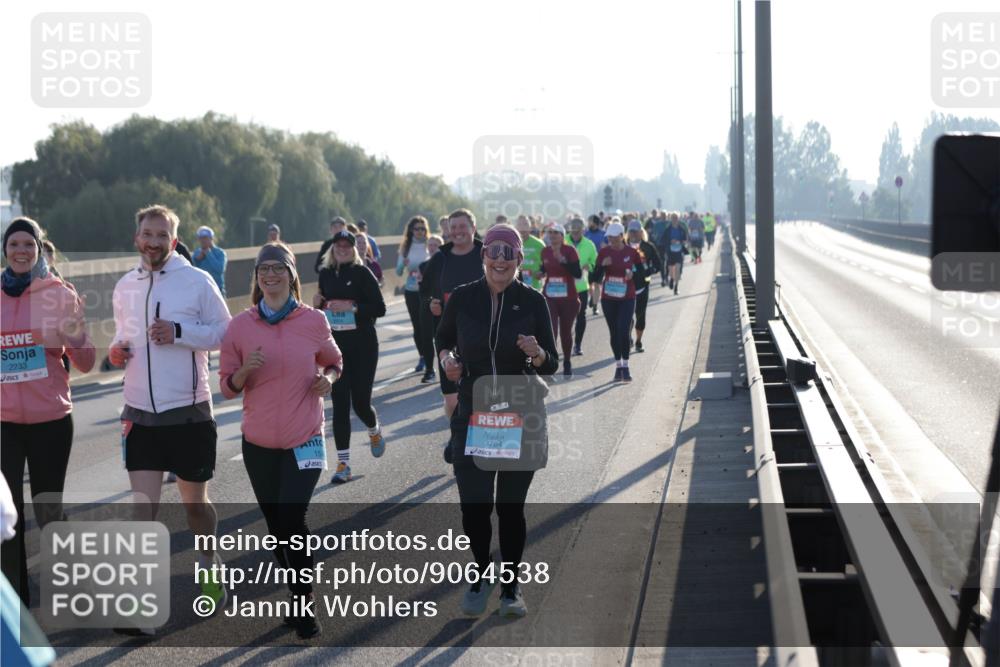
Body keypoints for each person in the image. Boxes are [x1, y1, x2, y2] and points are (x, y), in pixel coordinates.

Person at [108, 205, 232, 623]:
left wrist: (180, 334)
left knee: (194, 507)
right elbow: (122, 338)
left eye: (162, 235)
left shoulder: (197, 282)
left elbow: (226, 334)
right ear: (136, 238)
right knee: (143, 510)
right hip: (139, 413)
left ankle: (209, 561)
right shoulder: (125, 285)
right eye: (148, 234)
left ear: (174, 241)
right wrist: (115, 352)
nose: (154, 241)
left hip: (189, 413)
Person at [435, 223, 558, 618]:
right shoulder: (463, 299)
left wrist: (536, 352)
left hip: (521, 411)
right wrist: (447, 363)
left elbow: (552, 363)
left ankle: (511, 589)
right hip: (473, 411)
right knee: (474, 507)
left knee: (509, 507)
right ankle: (481, 571)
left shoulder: (533, 302)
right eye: (494, 251)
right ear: (482, 255)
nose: (500, 260)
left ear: (520, 260)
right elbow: (443, 341)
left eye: (509, 253)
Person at [219, 242, 342, 638]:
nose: (270, 275)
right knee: (276, 528)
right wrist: (244, 372)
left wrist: (329, 380)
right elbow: (227, 386)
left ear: (291, 275)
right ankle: (294, 595)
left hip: (304, 436)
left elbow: (334, 361)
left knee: (292, 518)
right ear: (256, 277)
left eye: (278, 268)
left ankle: (304, 606)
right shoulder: (239, 327)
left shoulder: (314, 321)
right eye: (263, 269)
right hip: (257, 444)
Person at [1, 217, 95, 606]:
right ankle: (15, 603)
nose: (21, 251)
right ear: (5, 250)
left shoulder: (59, 293)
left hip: (51, 421)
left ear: (40, 249)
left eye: (29, 244)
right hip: (4, 422)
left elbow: (87, 361)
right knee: (7, 520)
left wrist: (74, 336)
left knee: (49, 510)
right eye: (14, 244)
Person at [315, 230, 387, 483]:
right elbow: (322, 310)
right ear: (332, 249)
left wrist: (353, 307)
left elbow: (380, 308)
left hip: (364, 346)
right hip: (336, 348)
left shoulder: (362, 272)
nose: (343, 249)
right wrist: (317, 304)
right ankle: (343, 464)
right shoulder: (325, 274)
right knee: (340, 406)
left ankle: (374, 428)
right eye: (338, 246)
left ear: (354, 249)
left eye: (347, 246)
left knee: (360, 404)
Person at [419, 209, 484, 463]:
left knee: (479, 392)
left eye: (462, 226)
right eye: (453, 227)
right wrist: (433, 304)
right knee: (452, 397)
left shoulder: (485, 252)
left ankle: (474, 439)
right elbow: (424, 291)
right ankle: (458, 432)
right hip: (448, 335)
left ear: (473, 227)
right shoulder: (441, 258)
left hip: (482, 335)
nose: (457, 232)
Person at [592, 221, 641, 383]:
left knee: (623, 329)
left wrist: (632, 273)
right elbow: (594, 278)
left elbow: (643, 271)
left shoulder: (632, 252)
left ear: (621, 236)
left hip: (627, 297)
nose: (611, 240)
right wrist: (601, 266)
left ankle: (626, 366)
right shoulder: (604, 253)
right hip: (609, 298)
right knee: (614, 332)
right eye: (609, 238)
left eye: (614, 237)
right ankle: (618, 366)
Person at [538, 223, 581, 377]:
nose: (553, 235)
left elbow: (578, 274)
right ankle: (551, 364)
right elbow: (544, 268)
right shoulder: (545, 251)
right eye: (550, 233)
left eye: (556, 233)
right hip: (550, 296)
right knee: (551, 330)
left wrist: (563, 261)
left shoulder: (570, 251)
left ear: (562, 236)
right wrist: (540, 272)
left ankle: (567, 361)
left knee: (565, 332)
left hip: (568, 297)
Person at [396, 216, 434, 381]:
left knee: (430, 326)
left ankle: (434, 355)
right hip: (411, 290)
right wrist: (402, 264)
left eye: (423, 229)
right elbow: (398, 272)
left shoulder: (430, 245)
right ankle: (423, 356)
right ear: (411, 231)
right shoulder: (406, 247)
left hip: (429, 291)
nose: (420, 232)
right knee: (417, 326)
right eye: (417, 229)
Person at [627, 220, 661, 354]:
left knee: (640, 316)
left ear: (641, 233)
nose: (633, 234)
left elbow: (658, 264)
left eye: (636, 231)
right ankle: (628, 337)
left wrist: (648, 270)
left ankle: (638, 341)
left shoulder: (648, 247)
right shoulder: (623, 247)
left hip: (642, 286)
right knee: (627, 316)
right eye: (631, 231)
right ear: (627, 233)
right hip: (626, 287)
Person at [564, 218, 597, 357]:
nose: (576, 231)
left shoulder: (589, 245)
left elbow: (595, 263)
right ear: (570, 229)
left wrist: (588, 266)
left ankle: (577, 345)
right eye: (574, 228)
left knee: (581, 316)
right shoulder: (563, 241)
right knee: (565, 318)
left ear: (583, 229)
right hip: (563, 287)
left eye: (579, 228)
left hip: (582, 286)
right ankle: (565, 342)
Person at [192, 226, 227, 296]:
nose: (202, 240)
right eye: (200, 238)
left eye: (205, 238)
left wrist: (209, 254)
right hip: (201, 292)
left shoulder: (220, 253)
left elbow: (220, 269)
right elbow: (192, 272)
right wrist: (197, 260)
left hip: (217, 291)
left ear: (211, 238)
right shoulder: (196, 253)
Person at [515, 215, 545, 290]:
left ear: (530, 227)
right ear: (515, 227)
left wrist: (542, 273)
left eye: (525, 224)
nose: (522, 228)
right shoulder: (510, 243)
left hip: (534, 288)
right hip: (514, 288)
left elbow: (546, 265)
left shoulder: (539, 244)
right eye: (520, 225)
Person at [585, 215, 606, 314]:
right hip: (588, 263)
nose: (588, 223)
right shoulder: (586, 233)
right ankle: (592, 297)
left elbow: (609, 247)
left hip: (600, 263)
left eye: (590, 221)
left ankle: (595, 306)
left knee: (597, 284)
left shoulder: (603, 234)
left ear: (595, 223)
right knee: (589, 284)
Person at [664, 214, 688, 295]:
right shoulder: (668, 229)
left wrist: (679, 242)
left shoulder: (681, 229)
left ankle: (676, 288)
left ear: (678, 219)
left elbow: (685, 240)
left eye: (676, 218)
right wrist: (670, 241)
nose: (674, 220)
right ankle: (671, 279)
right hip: (670, 252)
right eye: (673, 218)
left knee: (677, 269)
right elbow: (663, 240)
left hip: (679, 251)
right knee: (671, 271)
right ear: (671, 219)